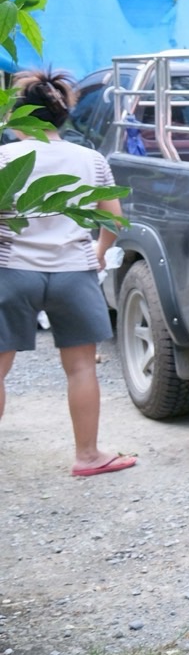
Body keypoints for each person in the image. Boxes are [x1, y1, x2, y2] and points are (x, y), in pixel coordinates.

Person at [0, 70, 130, 476]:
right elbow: (114, 219)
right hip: (74, 272)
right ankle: (88, 455)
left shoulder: (3, 159)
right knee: (80, 367)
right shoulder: (90, 160)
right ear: (61, 117)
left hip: (11, 269)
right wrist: (99, 250)